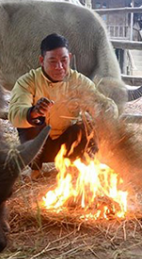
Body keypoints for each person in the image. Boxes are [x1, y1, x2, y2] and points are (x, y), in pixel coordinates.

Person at [8, 33, 118, 178]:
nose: (59, 67)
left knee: (86, 128)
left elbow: (99, 102)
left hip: (67, 143)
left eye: (64, 60)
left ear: (70, 58)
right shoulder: (28, 82)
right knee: (30, 124)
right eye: (52, 61)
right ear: (41, 60)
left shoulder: (79, 82)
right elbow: (14, 114)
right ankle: (35, 168)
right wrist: (34, 113)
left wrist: (108, 110)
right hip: (38, 146)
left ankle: (75, 168)